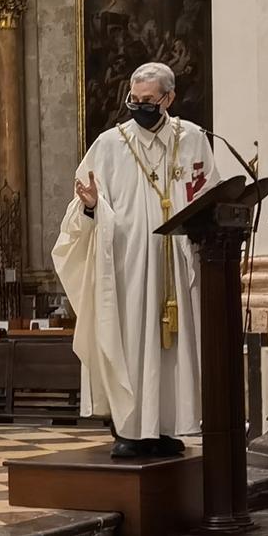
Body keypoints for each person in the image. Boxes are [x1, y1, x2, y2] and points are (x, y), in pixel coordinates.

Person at [52, 61, 219, 458]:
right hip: (128, 268)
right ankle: (131, 428)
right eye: (135, 99)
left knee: (173, 348)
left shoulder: (193, 139)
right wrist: (91, 207)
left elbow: (210, 195)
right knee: (132, 341)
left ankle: (165, 427)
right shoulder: (109, 145)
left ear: (169, 98)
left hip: (177, 265)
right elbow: (80, 213)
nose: (140, 106)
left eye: (149, 100)